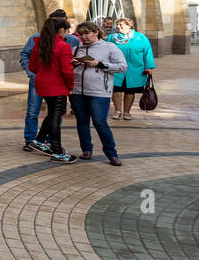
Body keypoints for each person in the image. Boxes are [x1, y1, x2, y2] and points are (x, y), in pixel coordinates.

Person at [20, 9, 81, 147]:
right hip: (52, 82)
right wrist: (33, 74)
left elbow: (35, 63)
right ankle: (42, 143)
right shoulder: (39, 39)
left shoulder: (72, 41)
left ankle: (42, 140)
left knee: (55, 114)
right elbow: (27, 57)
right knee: (40, 112)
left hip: (47, 81)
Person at [69, 21, 127, 165]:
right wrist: (73, 63)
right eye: (81, 34)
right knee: (82, 122)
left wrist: (99, 64)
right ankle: (86, 150)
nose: (84, 37)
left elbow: (122, 67)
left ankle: (111, 153)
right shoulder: (76, 49)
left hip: (99, 92)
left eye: (87, 33)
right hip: (77, 91)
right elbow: (66, 67)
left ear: (96, 32)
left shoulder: (109, 47)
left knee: (99, 122)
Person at [107, 17, 155, 120]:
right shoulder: (112, 38)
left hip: (135, 70)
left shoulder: (140, 38)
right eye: (118, 25)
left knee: (130, 91)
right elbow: (105, 51)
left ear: (129, 26)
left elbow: (148, 52)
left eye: (121, 25)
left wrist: (149, 67)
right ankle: (117, 111)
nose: (118, 27)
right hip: (116, 69)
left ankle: (127, 112)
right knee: (116, 90)